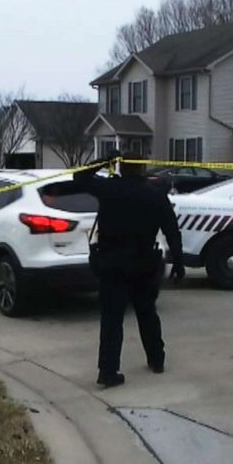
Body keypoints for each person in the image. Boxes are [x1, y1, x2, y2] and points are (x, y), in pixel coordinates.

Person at [74, 150, 185, 387]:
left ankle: (108, 371)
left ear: (121, 167)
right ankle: (156, 359)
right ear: (143, 168)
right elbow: (171, 231)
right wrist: (178, 262)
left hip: (112, 264)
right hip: (144, 263)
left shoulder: (110, 189)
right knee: (147, 314)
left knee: (112, 321)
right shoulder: (155, 194)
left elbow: (79, 178)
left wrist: (102, 161)